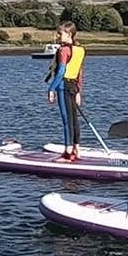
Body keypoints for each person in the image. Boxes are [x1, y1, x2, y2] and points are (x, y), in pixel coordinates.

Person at [45, 21, 85, 161]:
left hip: (63, 86)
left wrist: (51, 88)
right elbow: (79, 72)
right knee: (74, 119)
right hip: (74, 87)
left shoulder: (64, 50)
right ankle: (76, 149)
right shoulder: (80, 50)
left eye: (60, 33)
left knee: (66, 121)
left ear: (69, 34)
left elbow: (61, 71)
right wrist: (79, 91)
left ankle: (68, 153)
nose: (58, 35)